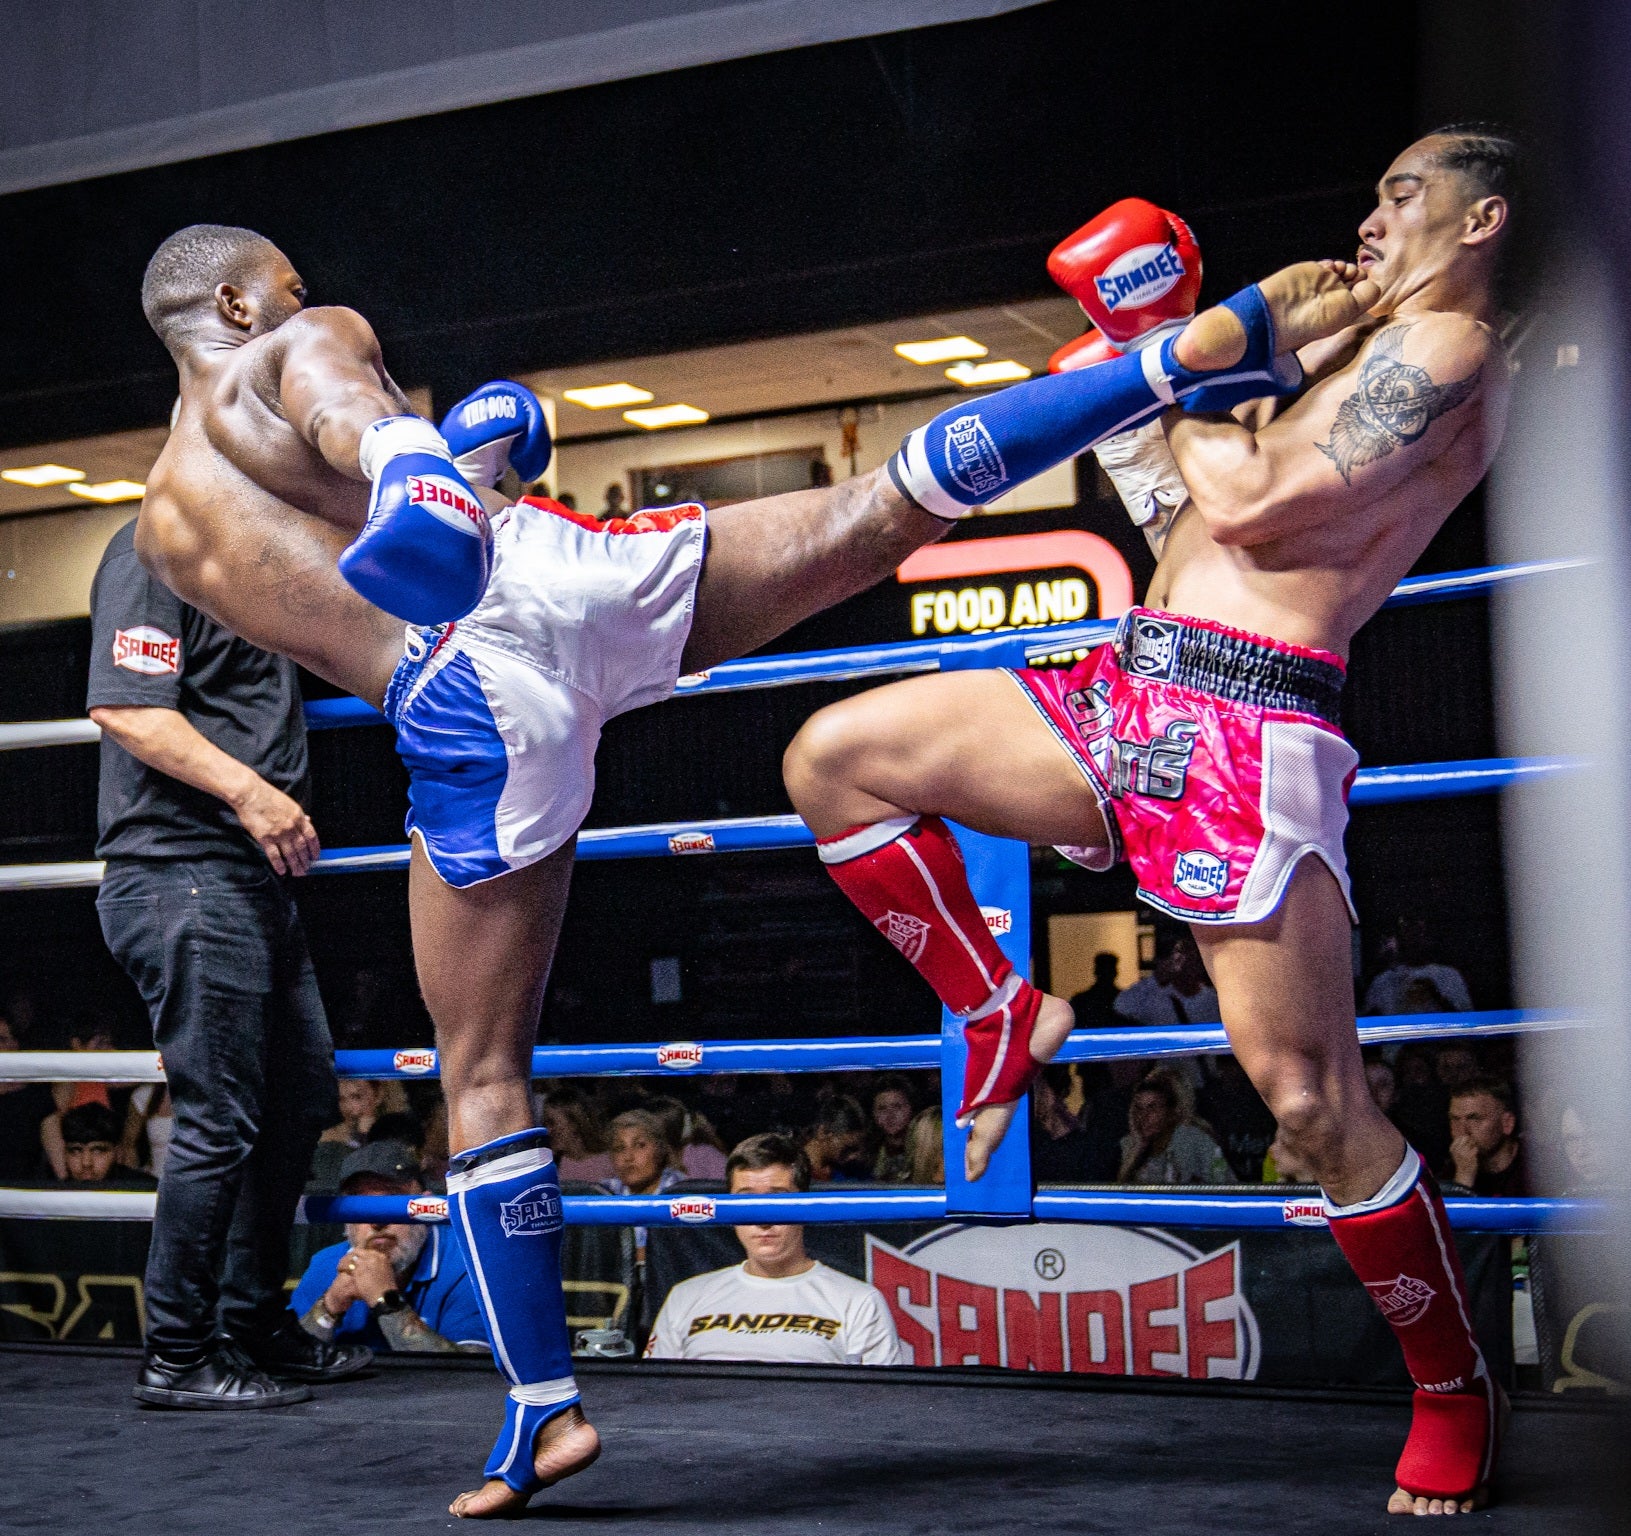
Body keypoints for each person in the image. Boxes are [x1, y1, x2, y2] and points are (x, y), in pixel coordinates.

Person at [129, 220, 1333, 1517]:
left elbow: (320, 550)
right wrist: (423, 460)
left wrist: (451, 468)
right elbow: (332, 392)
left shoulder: (160, 528)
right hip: (553, 572)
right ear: (240, 301)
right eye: (288, 288)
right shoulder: (297, 339)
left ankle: (540, 1411)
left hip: (460, 701)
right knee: (879, 515)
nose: (306, 303)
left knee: (480, 1074)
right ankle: (1148, 373)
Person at [783, 131, 1517, 1514]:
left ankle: (1446, 1380)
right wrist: (1151, 404)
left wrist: (1165, 363)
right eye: (1367, 190)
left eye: (1400, 194)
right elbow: (1188, 515)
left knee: (1307, 1105)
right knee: (837, 759)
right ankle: (1000, 1009)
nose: (1368, 216)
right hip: (1125, 683)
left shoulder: (1444, 357)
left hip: (1249, 723)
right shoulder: (1338, 346)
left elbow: (1248, 501)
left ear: (1481, 221)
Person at [87, 515, 357, 1411]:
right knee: (219, 1120)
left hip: (249, 882)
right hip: (181, 873)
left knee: (300, 1099)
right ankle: (176, 1355)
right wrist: (251, 792)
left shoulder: (252, 563)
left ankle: (250, 1325)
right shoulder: (154, 548)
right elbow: (126, 705)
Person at [643, 1134, 902, 1364]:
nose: (763, 1218)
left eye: (776, 1199)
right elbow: (653, 1398)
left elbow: (882, 1407)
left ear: (805, 1204)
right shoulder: (685, 1297)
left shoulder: (858, 1303)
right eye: (746, 1201)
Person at [291, 1142, 488, 1353]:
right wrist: (329, 1306)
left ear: (426, 1205)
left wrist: (387, 1301)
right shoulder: (326, 1265)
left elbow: (470, 1375)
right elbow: (286, 1364)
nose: (377, 1219)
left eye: (393, 1200)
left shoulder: (468, 1262)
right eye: (359, 1205)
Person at [1116, 1071, 1234, 1185]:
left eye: (1152, 1108)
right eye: (1139, 1108)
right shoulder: (1129, 1143)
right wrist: (1137, 1150)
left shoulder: (1197, 1140)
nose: (1143, 1116)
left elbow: (1227, 1185)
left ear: (1172, 1112)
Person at [1363, 916, 1473, 1014]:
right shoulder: (1383, 980)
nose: (1412, 939)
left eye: (1417, 933)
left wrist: (1435, 994)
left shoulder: (1449, 975)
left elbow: (1466, 1018)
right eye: (1406, 933)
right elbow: (1368, 1020)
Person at [1446, 1078, 1530, 1197]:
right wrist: (1463, 1178)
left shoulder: (1538, 1166)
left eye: (1474, 1118)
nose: (1463, 1131)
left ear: (1507, 1123)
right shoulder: (1448, 1175)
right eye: (1455, 1119)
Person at [0, 1010, 56, 1181]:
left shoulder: (37, 1099)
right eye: (0, 1039)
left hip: (23, 1198)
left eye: (8, 1039)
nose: (8, 1045)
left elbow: (59, 1163)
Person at [57, 1103, 157, 1188]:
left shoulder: (145, 1191)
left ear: (118, 1152)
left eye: (98, 1151)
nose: (86, 1163)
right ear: (64, 1153)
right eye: (76, 1151)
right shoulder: (53, 1195)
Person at [869, 1077, 916, 1181]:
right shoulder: (868, 1155)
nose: (890, 1116)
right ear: (874, 1113)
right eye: (882, 1108)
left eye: (897, 1107)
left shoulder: (922, 1151)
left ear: (910, 1108)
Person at [1068, 951, 1122, 1029]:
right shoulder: (1125, 1000)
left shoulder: (1080, 1000)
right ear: (1115, 972)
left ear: (1095, 972)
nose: (1106, 974)